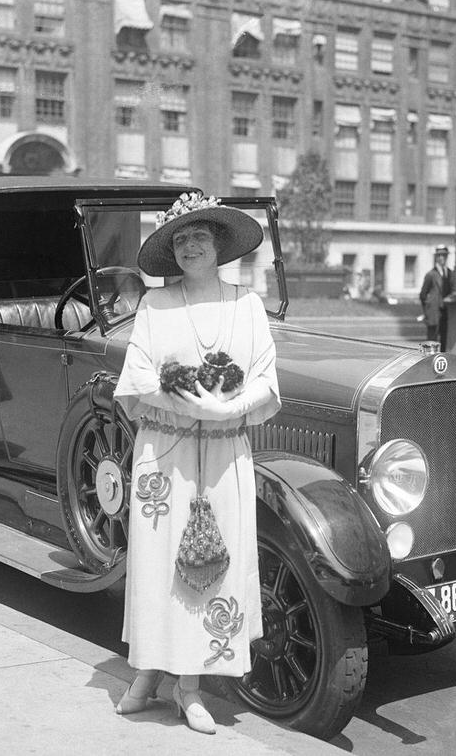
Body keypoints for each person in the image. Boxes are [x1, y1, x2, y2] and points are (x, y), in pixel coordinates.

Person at [112, 191, 281, 735]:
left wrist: (227, 406)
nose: (190, 247)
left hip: (224, 454)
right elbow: (137, 375)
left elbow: (265, 379)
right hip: (165, 452)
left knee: (209, 567)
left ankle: (190, 688)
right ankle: (146, 672)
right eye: (180, 239)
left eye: (199, 237)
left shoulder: (247, 305)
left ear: (220, 245)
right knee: (159, 561)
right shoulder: (156, 305)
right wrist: (185, 400)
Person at [417, 246, 452, 350]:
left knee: (444, 339)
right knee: (432, 340)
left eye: (444, 255)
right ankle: (429, 361)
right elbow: (422, 295)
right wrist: (427, 311)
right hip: (434, 312)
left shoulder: (450, 273)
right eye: (439, 255)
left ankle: (442, 362)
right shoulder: (431, 274)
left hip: (446, 312)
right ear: (436, 257)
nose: (442, 258)